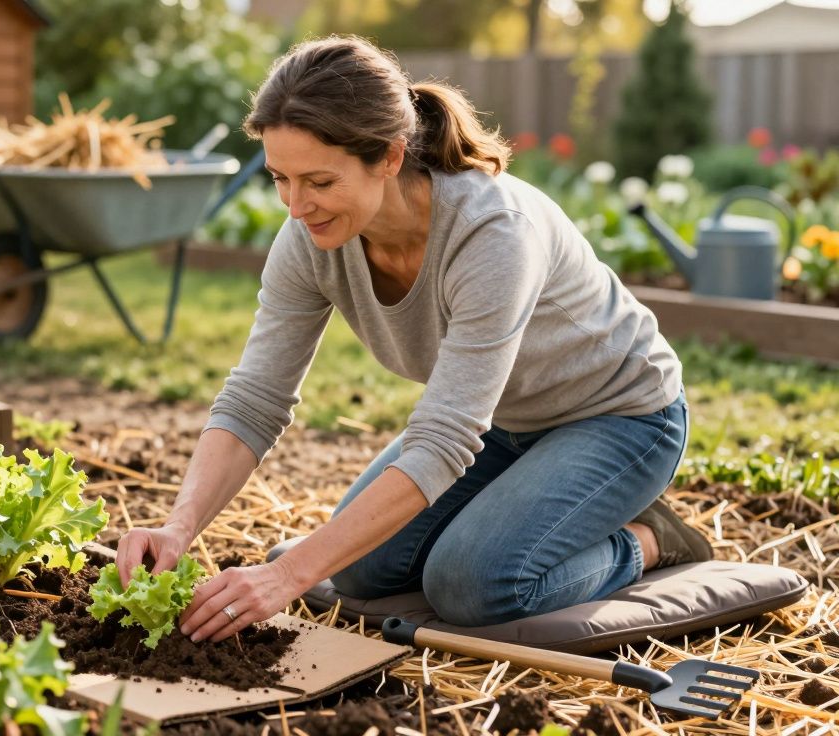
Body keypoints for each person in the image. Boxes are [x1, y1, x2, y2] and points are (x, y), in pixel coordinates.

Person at [114, 35, 712, 643]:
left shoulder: (493, 232)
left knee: (472, 585)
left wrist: (290, 573)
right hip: (503, 423)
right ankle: (526, 511)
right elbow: (255, 398)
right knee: (353, 569)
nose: (297, 207)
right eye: (280, 179)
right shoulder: (310, 240)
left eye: (319, 181)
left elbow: (443, 439)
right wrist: (178, 527)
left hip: (620, 418)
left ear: (392, 157)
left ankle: (648, 538)